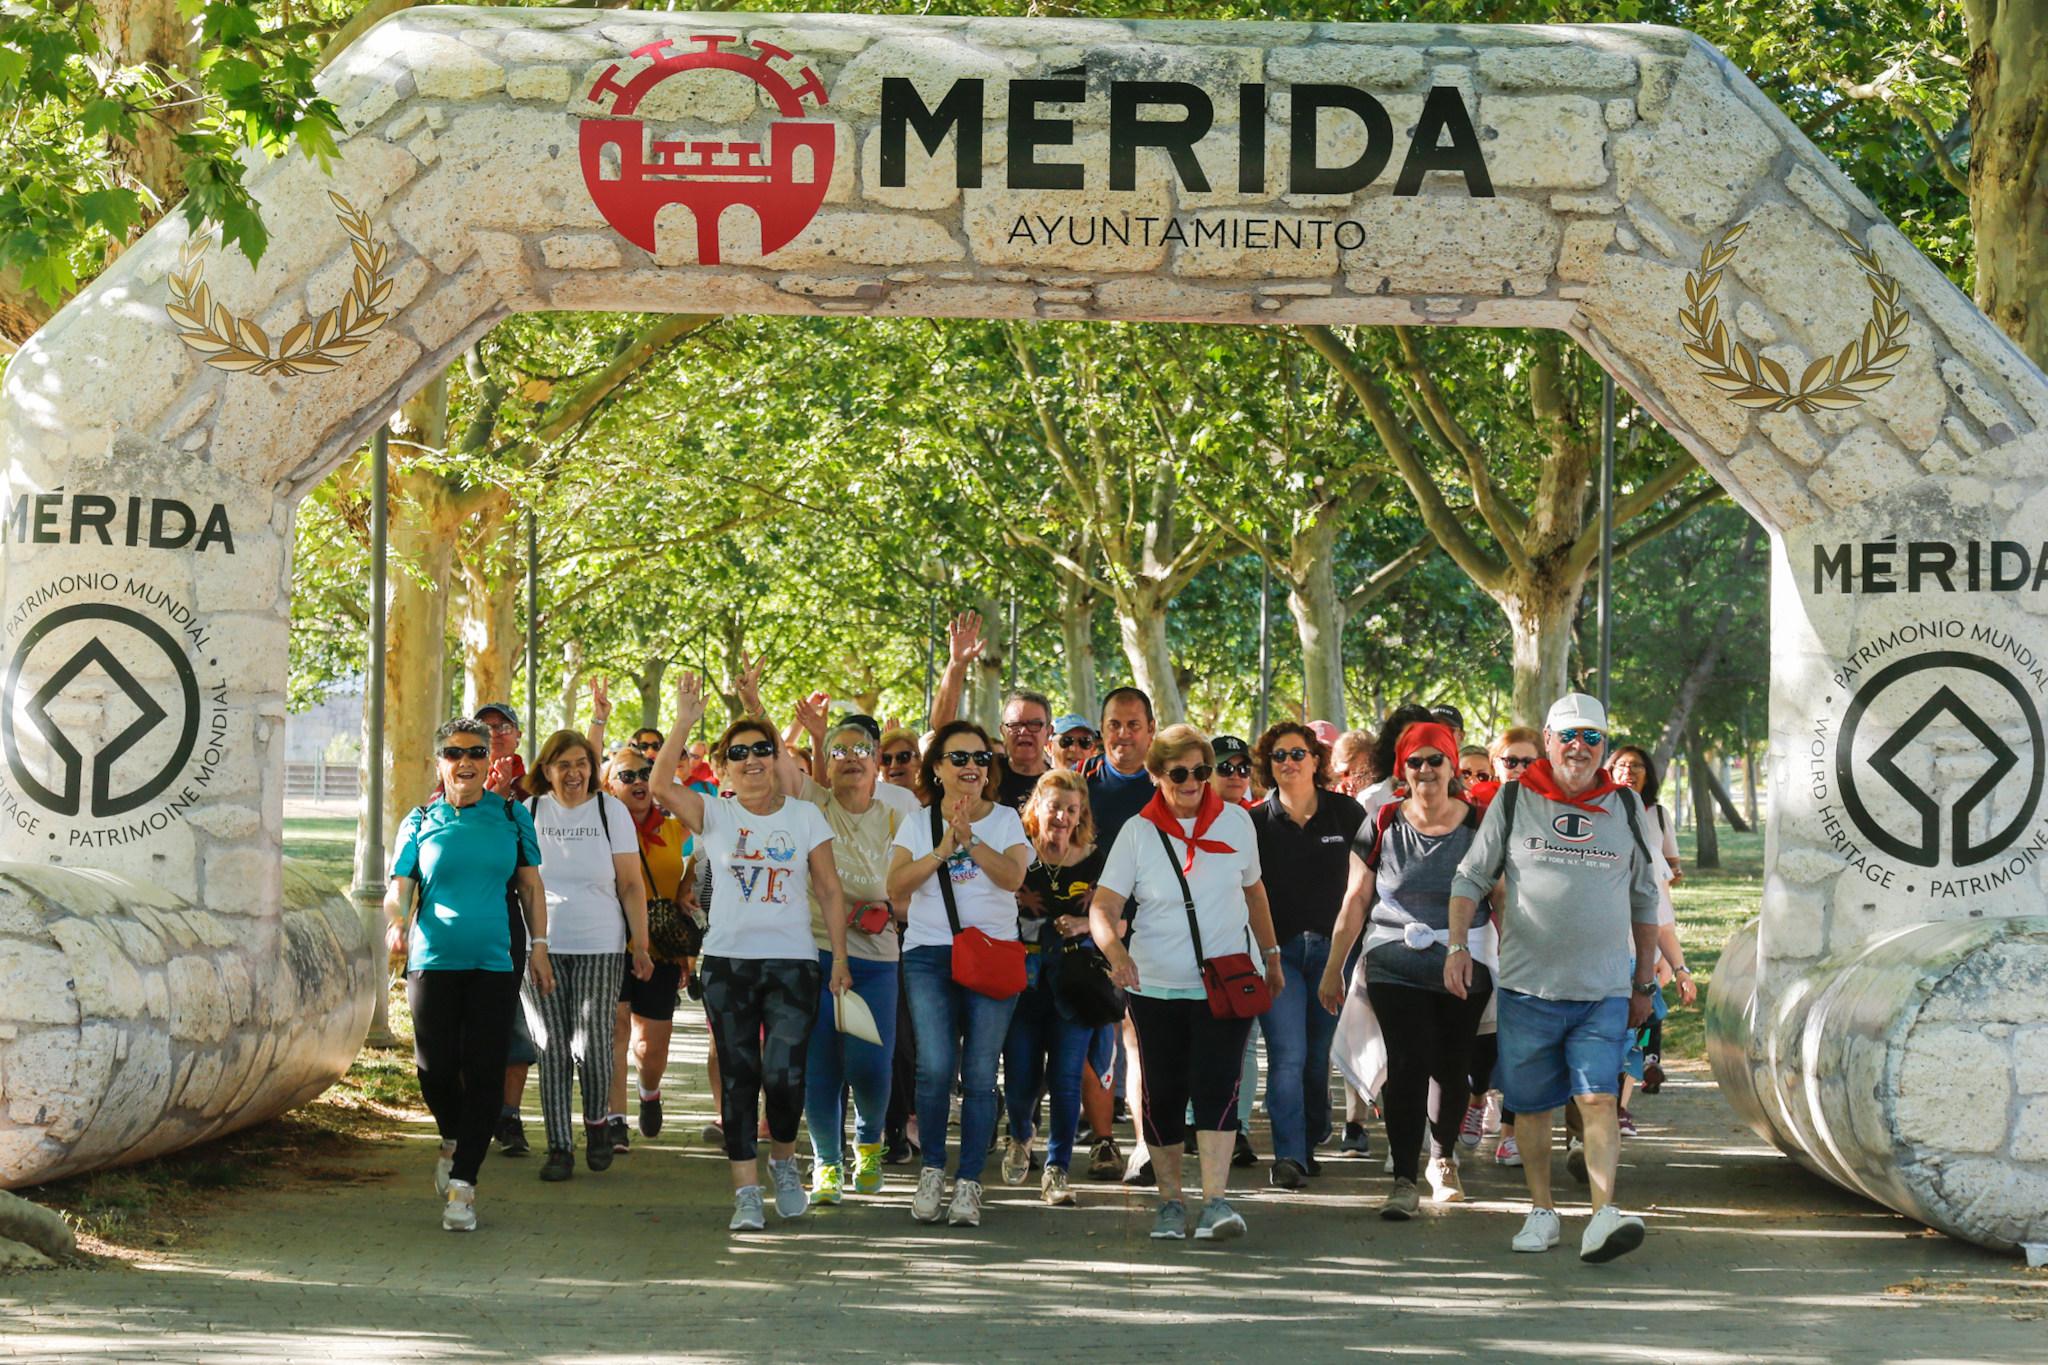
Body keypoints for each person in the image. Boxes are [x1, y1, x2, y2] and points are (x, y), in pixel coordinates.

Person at [1447, 693, 1661, 1262]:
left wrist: (1644, 982)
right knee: (1535, 1106)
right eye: (1569, 735)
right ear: (1548, 740)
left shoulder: (1627, 807)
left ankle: (1602, 1214)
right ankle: (1541, 1212)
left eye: (1593, 737)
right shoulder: (1515, 798)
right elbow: (1470, 877)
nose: (1580, 747)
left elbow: (1645, 897)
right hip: (1528, 986)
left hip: (1603, 990)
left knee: (1597, 1099)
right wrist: (1456, 945)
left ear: (1605, 747)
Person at [650, 674, 852, 1232]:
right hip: (727, 965)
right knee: (740, 1075)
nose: (752, 759)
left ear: (775, 756)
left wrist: (838, 958)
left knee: (785, 1075)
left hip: (793, 963)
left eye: (762, 748)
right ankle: (745, 1192)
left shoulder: (805, 815)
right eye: (738, 753)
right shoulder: (714, 813)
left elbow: (830, 889)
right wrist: (684, 720)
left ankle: (784, 1162)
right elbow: (662, 786)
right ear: (722, 769)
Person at [1091, 724, 1284, 1244]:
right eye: (1181, 773)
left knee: (1219, 1087)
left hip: (1227, 982)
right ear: (1157, 775)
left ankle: (1216, 1201)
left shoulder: (1238, 823)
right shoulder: (1137, 831)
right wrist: (1115, 952)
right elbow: (1104, 907)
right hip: (1154, 985)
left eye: (1204, 771)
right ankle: (1171, 1202)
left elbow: (1256, 895)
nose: (1195, 781)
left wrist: (1271, 956)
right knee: (1164, 1093)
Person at [385, 718, 551, 1233]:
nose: (466, 762)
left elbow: (530, 889)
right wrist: (397, 923)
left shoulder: (510, 816)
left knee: (484, 1072)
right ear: (440, 762)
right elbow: (399, 887)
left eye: (476, 753)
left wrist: (540, 947)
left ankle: (464, 1186)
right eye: (455, 753)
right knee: (435, 1069)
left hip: (495, 962)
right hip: (433, 960)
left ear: (486, 761)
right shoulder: (418, 821)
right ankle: (454, 1138)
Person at [1321, 721, 1491, 1218]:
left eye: (1434, 760)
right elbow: (1356, 899)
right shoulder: (1382, 820)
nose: (1424, 770)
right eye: (1414, 761)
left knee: (1452, 1066)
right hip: (1394, 959)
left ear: (1451, 765)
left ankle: (1442, 1157)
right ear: (1402, 769)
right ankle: (1403, 1177)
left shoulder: (1479, 823)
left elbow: (1501, 897)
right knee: (1410, 1061)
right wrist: (1334, 967)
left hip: (1465, 960)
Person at [886, 719, 1032, 1228]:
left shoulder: (1008, 819)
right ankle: (932, 1170)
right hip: (929, 955)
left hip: (991, 956)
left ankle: (969, 1182)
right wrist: (944, 848)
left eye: (980, 758)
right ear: (938, 768)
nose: (972, 767)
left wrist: (972, 842)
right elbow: (896, 886)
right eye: (960, 758)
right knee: (934, 1067)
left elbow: (1014, 877)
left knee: (978, 1075)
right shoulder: (918, 821)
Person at [781, 700, 905, 1205]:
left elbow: (911, 888)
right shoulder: (811, 804)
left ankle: (869, 1140)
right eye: (839, 751)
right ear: (825, 764)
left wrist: (883, 908)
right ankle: (828, 1163)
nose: (850, 758)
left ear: (877, 760)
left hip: (875, 959)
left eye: (861, 750)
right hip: (811, 952)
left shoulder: (900, 816)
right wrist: (753, 703)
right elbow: (778, 756)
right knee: (820, 1066)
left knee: (870, 1066)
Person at [522, 730, 654, 1181]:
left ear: (592, 768)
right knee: (551, 1047)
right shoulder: (531, 811)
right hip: (540, 945)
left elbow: (631, 884)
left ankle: (597, 1122)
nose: (574, 773)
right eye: (563, 764)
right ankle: (559, 1147)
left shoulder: (610, 810)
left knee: (592, 1042)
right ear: (546, 770)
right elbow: (524, 883)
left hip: (600, 942)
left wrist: (641, 944)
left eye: (582, 763)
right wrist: (534, 944)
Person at [1249, 722, 1366, 1189]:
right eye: (1279, 756)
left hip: (1335, 952)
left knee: (1317, 1056)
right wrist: (1266, 954)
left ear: (1317, 761)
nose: (1289, 763)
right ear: (1269, 766)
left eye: (1298, 754)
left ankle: (1312, 1127)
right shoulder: (1254, 822)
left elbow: (1364, 890)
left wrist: (1339, 963)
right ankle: (1290, 1155)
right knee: (1287, 1055)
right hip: (1278, 956)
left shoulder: (1348, 813)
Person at [1001, 769, 1109, 1207]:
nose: (1062, 817)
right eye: (1054, 807)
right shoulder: (1016, 855)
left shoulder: (1097, 859)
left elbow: (1120, 917)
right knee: (1022, 1076)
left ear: (1081, 813)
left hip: (1076, 979)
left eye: (1071, 809)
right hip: (1022, 980)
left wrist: (1086, 923)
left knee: (1066, 1078)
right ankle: (1020, 1134)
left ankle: (1056, 1168)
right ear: (1036, 809)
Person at [602, 741, 695, 1150]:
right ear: (608, 786)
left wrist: (685, 898)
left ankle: (649, 1090)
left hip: (659, 945)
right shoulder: (599, 828)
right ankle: (614, 1119)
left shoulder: (676, 828)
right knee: (615, 1030)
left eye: (645, 774)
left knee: (648, 1046)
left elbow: (699, 866)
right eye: (627, 775)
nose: (638, 782)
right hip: (608, 943)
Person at [1606, 745, 1697, 1109]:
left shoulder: (1653, 843)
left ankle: (1616, 1112)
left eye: (1636, 767)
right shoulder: (1583, 838)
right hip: (1586, 961)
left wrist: (1679, 968)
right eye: (1621, 766)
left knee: (1628, 1039)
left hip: (1634, 961)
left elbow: (1661, 923)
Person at [1211, 736, 1256, 807]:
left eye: (1243, 769)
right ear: (1207, 773)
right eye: (1225, 768)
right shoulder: (1190, 814)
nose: (1235, 777)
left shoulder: (1257, 816)